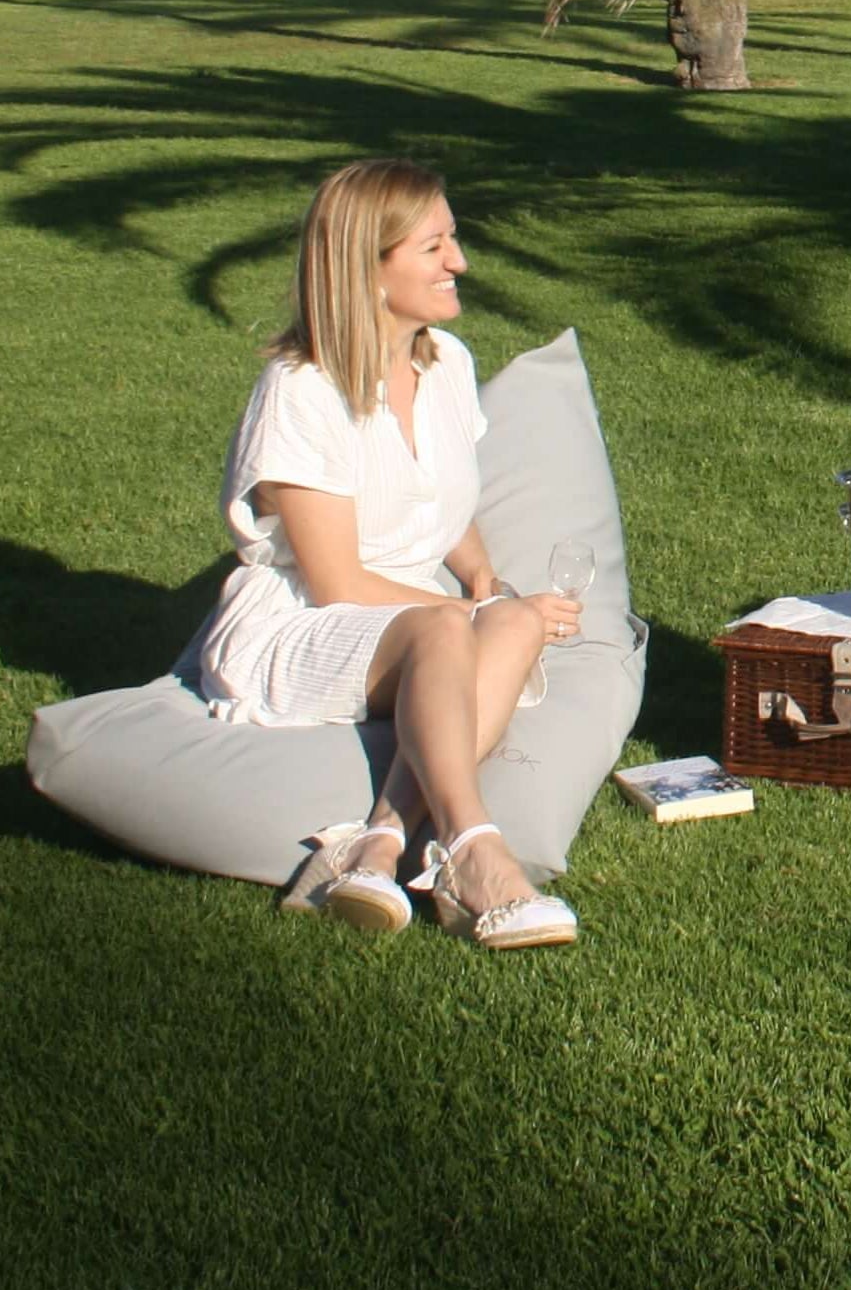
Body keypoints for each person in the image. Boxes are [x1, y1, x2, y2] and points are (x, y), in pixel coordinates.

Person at [190, 158, 583, 949]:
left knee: (510, 623)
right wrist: (465, 610)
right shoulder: (300, 391)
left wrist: (485, 584)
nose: (458, 262)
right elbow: (336, 581)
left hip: (411, 618)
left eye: (452, 240)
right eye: (433, 247)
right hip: (303, 624)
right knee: (453, 627)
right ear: (366, 270)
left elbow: (438, 500)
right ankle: (475, 853)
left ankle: (378, 844)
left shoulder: (447, 364)